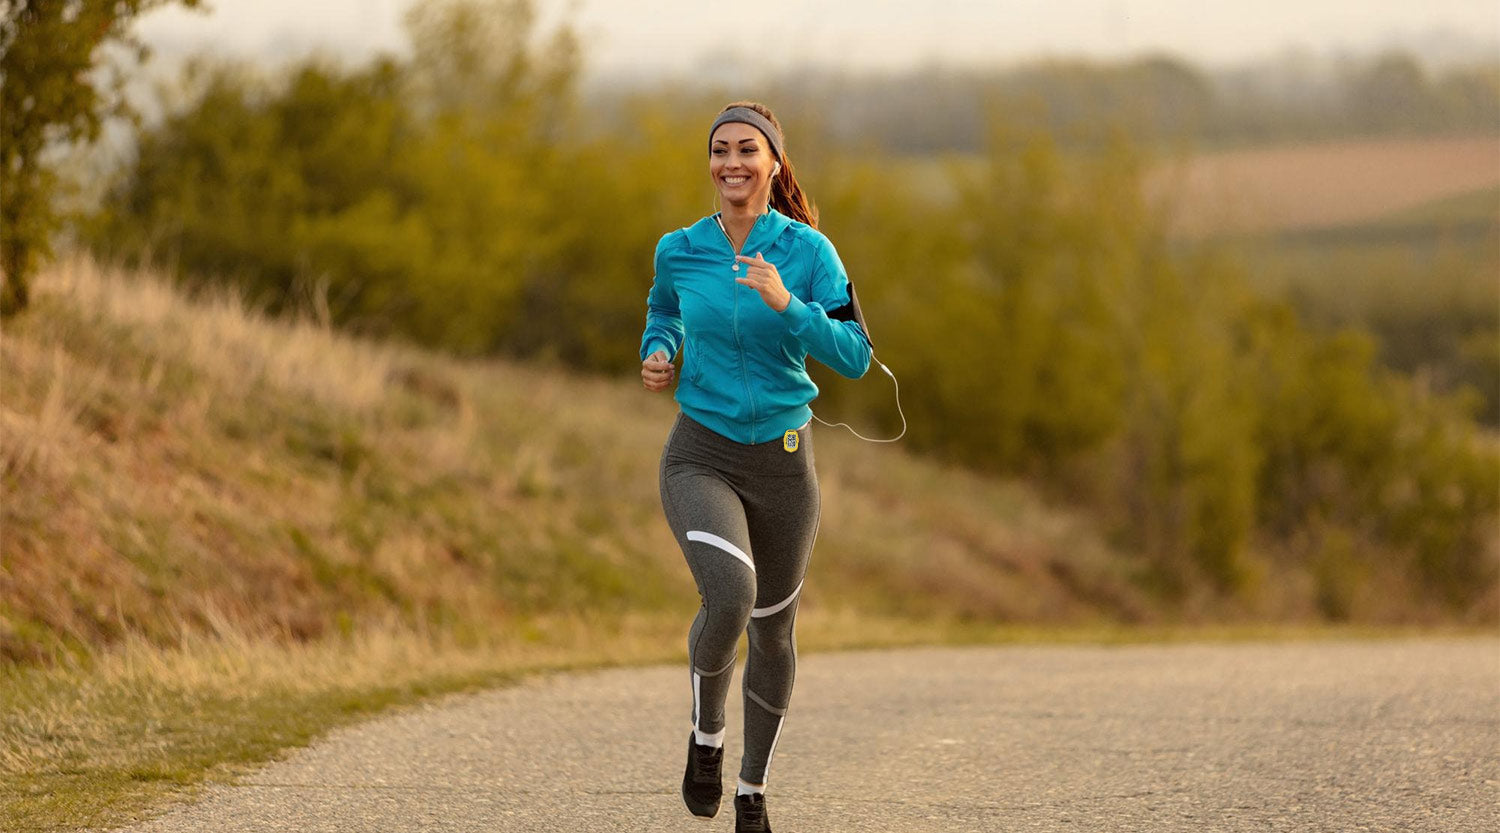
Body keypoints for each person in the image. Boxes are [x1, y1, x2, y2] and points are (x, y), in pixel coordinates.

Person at [639, 101, 872, 833]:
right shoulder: (679, 248)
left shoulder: (810, 253)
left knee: (774, 634)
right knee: (730, 594)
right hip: (700, 452)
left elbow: (857, 355)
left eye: (747, 150)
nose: (731, 163)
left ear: (774, 163)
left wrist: (789, 304)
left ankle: (752, 789)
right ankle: (706, 738)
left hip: (785, 466)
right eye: (719, 151)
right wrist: (660, 350)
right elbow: (664, 310)